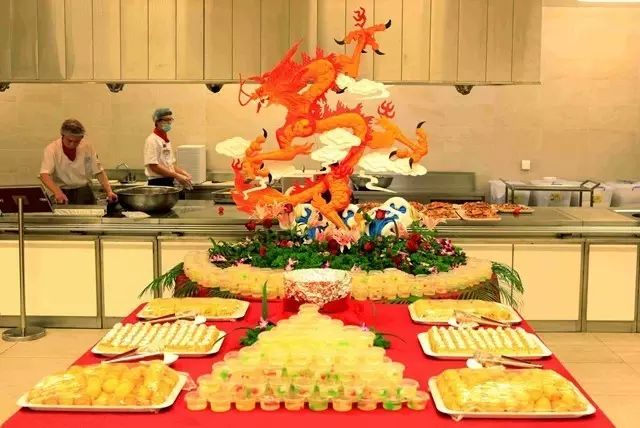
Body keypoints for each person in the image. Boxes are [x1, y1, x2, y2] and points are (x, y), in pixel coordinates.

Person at [40, 119, 117, 205]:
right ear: (63, 135)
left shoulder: (87, 147)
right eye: (69, 140)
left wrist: (109, 191)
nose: (72, 144)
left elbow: (99, 171)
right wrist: (57, 192)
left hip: (84, 191)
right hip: (62, 192)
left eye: (77, 141)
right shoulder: (52, 149)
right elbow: (44, 175)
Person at [144, 108, 192, 187]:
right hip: (157, 182)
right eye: (166, 120)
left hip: (168, 180)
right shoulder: (152, 140)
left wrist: (184, 173)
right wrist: (177, 176)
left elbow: (170, 166)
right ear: (157, 122)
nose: (169, 122)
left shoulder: (165, 140)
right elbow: (153, 166)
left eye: (171, 119)